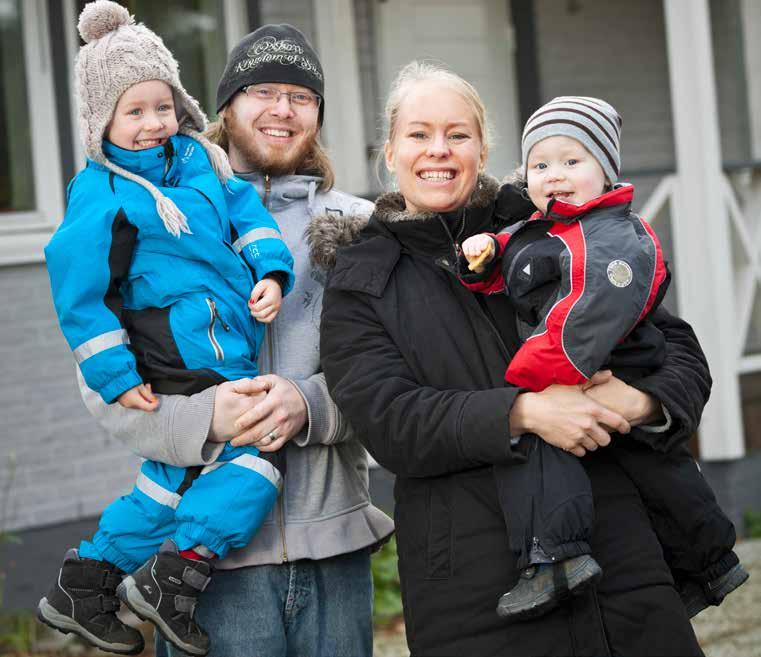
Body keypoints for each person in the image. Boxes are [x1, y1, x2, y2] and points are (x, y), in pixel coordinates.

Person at [316, 61, 714, 655]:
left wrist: (639, 400)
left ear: (483, 147)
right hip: (474, 588)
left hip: (619, 561)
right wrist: (523, 414)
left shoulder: (556, 229)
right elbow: (389, 422)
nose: (439, 151)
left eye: (458, 134)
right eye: (419, 134)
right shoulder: (362, 278)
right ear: (390, 149)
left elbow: (677, 350)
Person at [76, 20, 394, 657]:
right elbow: (100, 384)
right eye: (263, 91)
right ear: (225, 106)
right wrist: (202, 417)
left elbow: (401, 377)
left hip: (336, 551)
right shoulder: (152, 213)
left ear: (318, 114)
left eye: (301, 96)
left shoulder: (364, 226)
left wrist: (312, 405)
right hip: (201, 570)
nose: (282, 109)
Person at [39, 3, 295, 655]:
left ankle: (87, 579)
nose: (154, 122)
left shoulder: (203, 161)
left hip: (222, 334)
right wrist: (115, 375)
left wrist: (270, 270)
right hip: (174, 342)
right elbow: (79, 293)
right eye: (135, 111)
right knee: (256, 458)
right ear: (103, 120)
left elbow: (246, 215)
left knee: (169, 473)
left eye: (162, 105)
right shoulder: (100, 189)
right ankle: (179, 566)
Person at [456, 95, 746, 621]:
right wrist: (486, 259)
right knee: (646, 468)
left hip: (610, 360)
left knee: (635, 466)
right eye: (541, 165)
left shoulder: (610, 234)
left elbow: (585, 311)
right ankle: (705, 560)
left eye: (572, 161)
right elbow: (523, 262)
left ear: (606, 172)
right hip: (581, 363)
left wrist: (538, 378)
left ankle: (577, 558)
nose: (555, 176)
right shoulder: (545, 226)